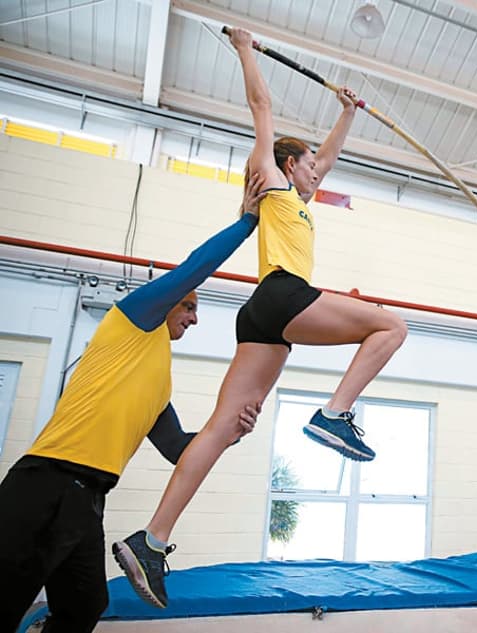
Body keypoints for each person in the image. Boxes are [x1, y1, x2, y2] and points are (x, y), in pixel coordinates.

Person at [113, 26, 407, 609]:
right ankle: (334, 413)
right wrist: (246, 50)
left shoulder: (296, 199)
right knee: (391, 326)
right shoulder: (271, 180)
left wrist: (347, 112)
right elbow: (262, 107)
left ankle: (151, 541)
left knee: (224, 427)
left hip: (262, 320)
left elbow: (328, 158)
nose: (318, 174)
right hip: (282, 294)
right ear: (290, 166)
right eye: (310, 167)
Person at [0, 177, 267, 633]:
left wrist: (231, 431)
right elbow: (194, 269)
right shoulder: (133, 320)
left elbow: (180, 450)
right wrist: (248, 222)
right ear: (165, 302)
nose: (194, 317)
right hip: (46, 481)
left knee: (85, 605)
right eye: (188, 306)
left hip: (89, 499)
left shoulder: (159, 380)